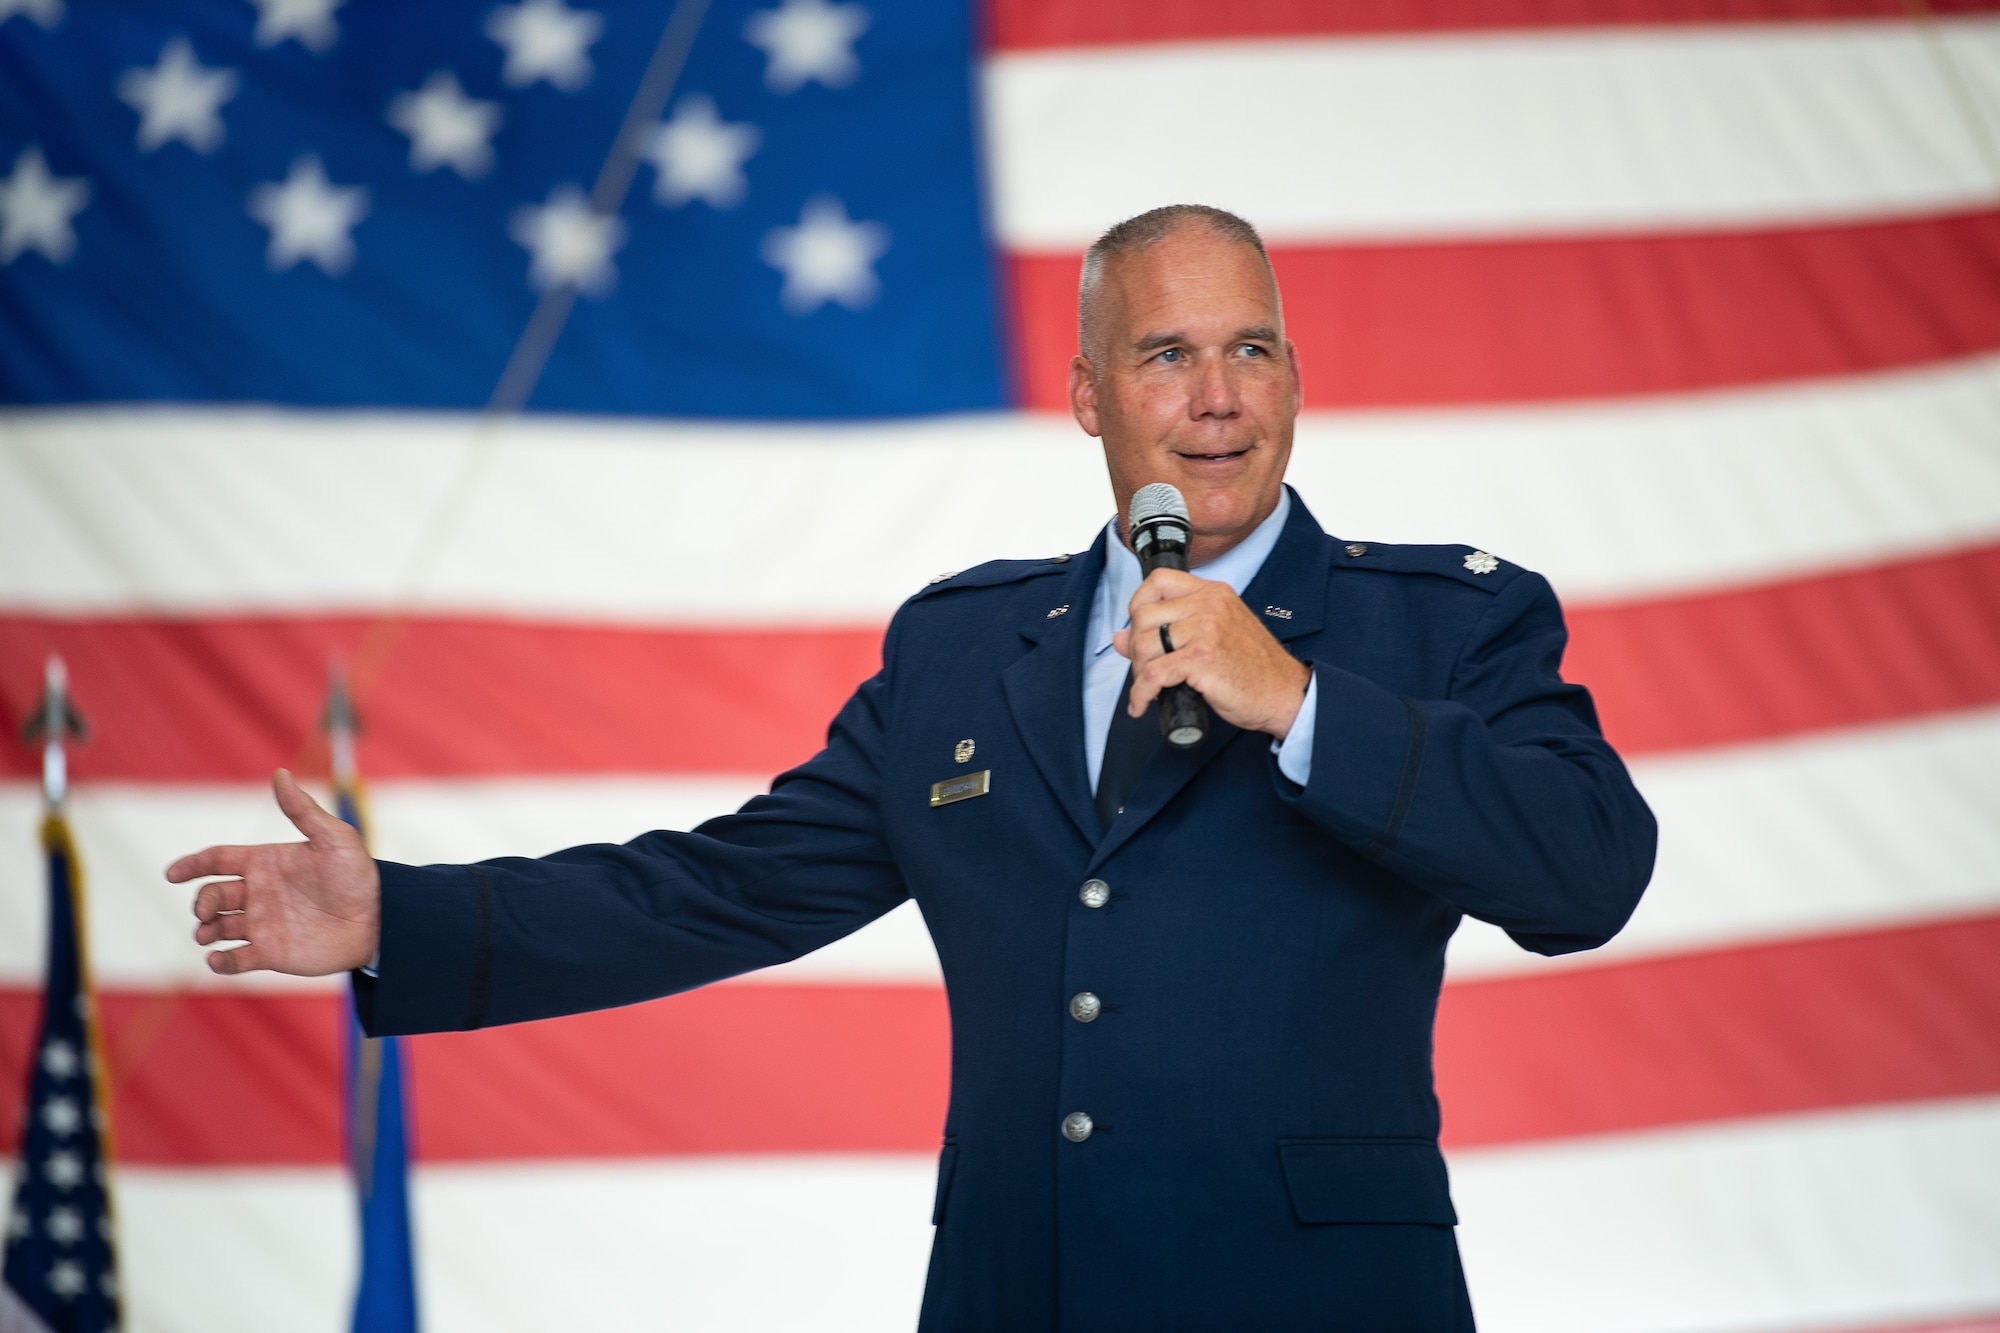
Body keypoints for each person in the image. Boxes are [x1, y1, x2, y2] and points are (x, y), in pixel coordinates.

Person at [170, 205, 1656, 1330]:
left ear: (1293, 377)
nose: (1218, 397)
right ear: (1089, 397)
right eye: (1166, 354)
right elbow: (726, 884)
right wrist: (404, 920)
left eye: (1249, 348)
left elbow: (1589, 868)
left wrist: (1304, 701)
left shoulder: (1442, 621)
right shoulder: (960, 652)